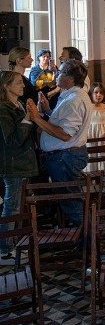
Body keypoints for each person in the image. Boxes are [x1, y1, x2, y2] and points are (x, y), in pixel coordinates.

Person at [28, 59, 92, 226]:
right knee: (69, 199)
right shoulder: (73, 95)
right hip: (64, 155)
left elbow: (65, 135)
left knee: (71, 202)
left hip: (65, 157)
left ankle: (88, 243)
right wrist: (48, 110)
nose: (56, 74)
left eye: (60, 72)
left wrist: (36, 118)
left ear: (70, 78)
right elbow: (62, 123)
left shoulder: (73, 100)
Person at [0, 71, 39, 261]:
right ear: (7, 86)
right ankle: (5, 249)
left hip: (24, 162)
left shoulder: (20, 104)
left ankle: (14, 244)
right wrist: (27, 119)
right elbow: (12, 140)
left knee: (17, 206)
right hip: (13, 164)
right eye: (18, 83)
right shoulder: (3, 109)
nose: (23, 86)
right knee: (11, 205)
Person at [84, 83, 105, 173]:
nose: (99, 95)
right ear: (91, 94)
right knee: (92, 162)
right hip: (91, 137)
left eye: (101, 93)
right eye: (96, 92)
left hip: (104, 138)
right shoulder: (86, 108)